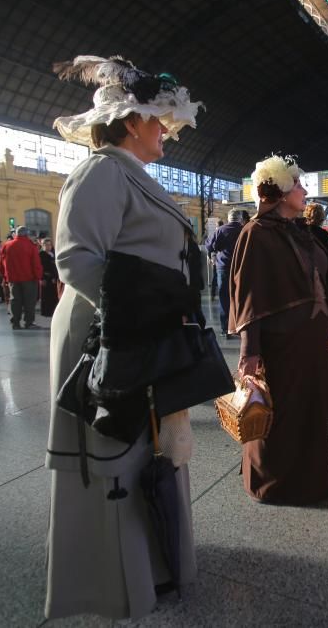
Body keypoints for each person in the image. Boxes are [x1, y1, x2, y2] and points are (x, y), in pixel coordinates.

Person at [45, 54, 204, 621]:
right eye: (160, 120)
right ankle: (117, 581)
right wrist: (135, 321)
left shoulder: (130, 172)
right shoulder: (101, 171)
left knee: (142, 451)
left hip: (138, 333)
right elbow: (75, 260)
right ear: (132, 121)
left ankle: (153, 566)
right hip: (108, 338)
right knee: (116, 452)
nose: (167, 130)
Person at [229, 154, 328, 504]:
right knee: (279, 414)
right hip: (280, 344)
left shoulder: (302, 232)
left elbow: (312, 280)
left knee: (310, 411)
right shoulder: (256, 233)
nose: (304, 190)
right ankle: (273, 483)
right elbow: (249, 296)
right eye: (298, 184)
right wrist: (249, 352)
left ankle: (307, 480)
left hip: (311, 340)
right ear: (281, 192)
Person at [205, 208, 245, 339]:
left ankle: (225, 329)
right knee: (240, 298)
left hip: (223, 268)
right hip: (241, 269)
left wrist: (214, 254)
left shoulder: (221, 230)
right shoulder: (245, 230)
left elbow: (210, 246)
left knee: (224, 298)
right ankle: (240, 326)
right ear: (240, 219)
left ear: (229, 218)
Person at [0, 226, 44, 330]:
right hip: (29, 278)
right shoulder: (31, 246)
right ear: (27, 234)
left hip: (13, 278)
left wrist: (3, 275)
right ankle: (29, 322)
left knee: (15, 300)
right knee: (29, 301)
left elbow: (1, 262)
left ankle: (15, 322)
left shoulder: (7, 245)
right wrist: (38, 276)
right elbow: (36, 263)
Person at [39, 237, 60, 317]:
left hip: (53, 277)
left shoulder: (53, 254)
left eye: (49, 245)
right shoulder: (41, 254)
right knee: (46, 295)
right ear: (42, 245)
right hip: (46, 277)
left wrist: (55, 276)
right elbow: (40, 267)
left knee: (54, 295)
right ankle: (46, 311)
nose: (48, 247)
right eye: (46, 245)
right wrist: (42, 278)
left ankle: (53, 311)